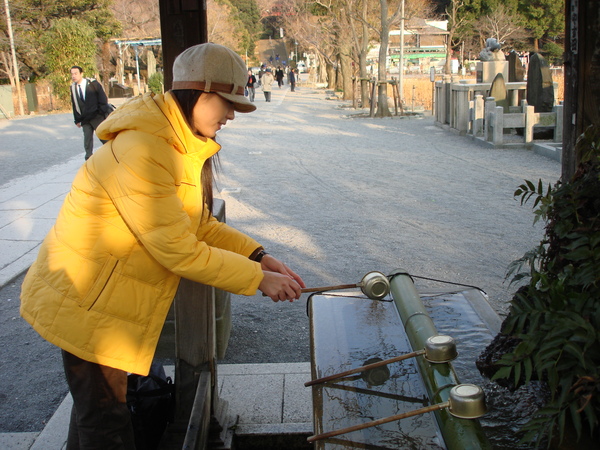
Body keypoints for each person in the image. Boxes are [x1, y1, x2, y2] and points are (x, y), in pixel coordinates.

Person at [20, 43, 305, 449]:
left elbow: (198, 225)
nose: (230, 117)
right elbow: (178, 248)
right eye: (227, 104)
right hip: (87, 305)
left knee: (96, 418)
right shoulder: (144, 150)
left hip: (105, 304)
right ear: (199, 93)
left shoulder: (173, 142)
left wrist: (259, 256)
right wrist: (257, 279)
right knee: (107, 424)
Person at [70, 66, 111, 160]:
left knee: (103, 137)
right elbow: (75, 104)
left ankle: (112, 154)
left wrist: (101, 112)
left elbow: (103, 99)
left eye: (76, 73)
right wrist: (77, 119)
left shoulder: (93, 84)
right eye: (72, 74)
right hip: (85, 118)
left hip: (97, 116)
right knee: (87, 140)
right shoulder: (73, 87)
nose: (73, 76)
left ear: (81, 74)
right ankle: (88, 158)